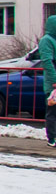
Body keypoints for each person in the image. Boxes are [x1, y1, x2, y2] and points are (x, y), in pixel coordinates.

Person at [39, 14, 56, 148]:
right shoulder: (47, 40)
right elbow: (47, 62)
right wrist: (54, 81)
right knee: (52, 111)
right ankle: (52, 138)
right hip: (53, 84)